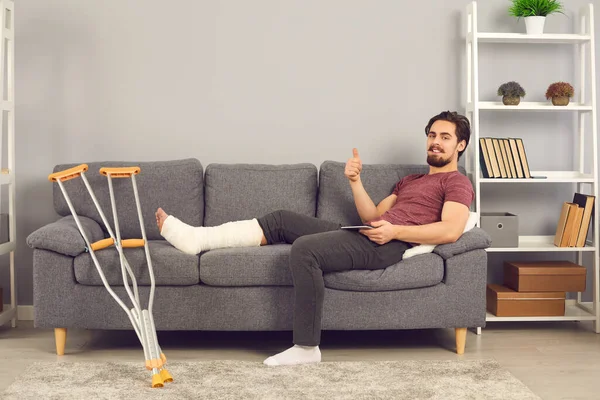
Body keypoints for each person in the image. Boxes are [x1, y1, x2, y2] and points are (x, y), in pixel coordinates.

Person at [155, 110, 474, 366]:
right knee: (282, 220)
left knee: (306, 250)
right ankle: (198, 239)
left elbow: (450, 230)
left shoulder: (457, 183)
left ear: (459, 146)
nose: (436, 142)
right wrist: (355, 180)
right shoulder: (410, 180)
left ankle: (307, 347)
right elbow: (372, 217)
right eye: (432, 135)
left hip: (388, 245)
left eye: (445, 137)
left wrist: (395, 232)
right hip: (372, 232)